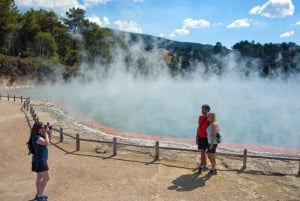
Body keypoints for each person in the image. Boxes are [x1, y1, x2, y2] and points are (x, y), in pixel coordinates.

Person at [30, 121, 50, 201]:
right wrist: (45, 133)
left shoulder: (38, 135)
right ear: (38, 128)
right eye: (42, 127)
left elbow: (48, 140)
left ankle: (38, 194)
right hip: (40, 161)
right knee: (46, 178)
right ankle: (39, 195)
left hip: (39, 160)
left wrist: (48, 132)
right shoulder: (36, 137)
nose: (43, 128)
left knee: (39, 177)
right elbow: (46, 143)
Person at [196, 104, 210, 174]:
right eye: (202, 109)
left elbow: (213, 128)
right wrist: (197, 137)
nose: (202, 110)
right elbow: (199, 127)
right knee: (203, 152)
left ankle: (201, 166)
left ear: (207, 110)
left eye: (203, 109)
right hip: (201, 137)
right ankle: (205, 165)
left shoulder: (210, 118)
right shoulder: (200, 117)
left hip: (206, 138)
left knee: (203, 152)